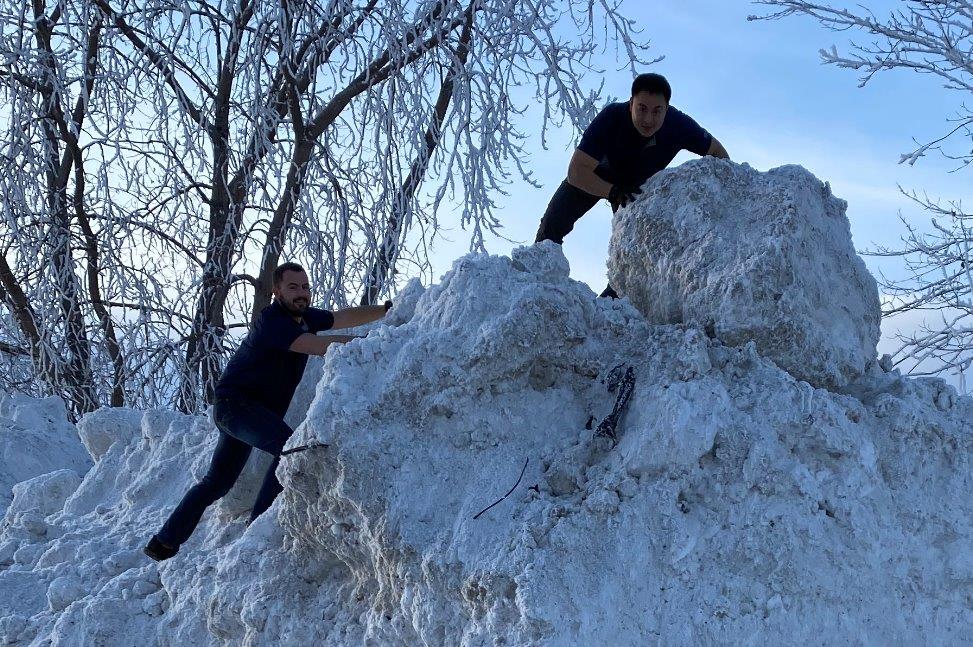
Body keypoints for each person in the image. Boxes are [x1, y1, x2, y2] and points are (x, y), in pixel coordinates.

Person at [143, 262, 391, 561]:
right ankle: (257, 530)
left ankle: (163, 543)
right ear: (276, 291)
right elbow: (318, 345)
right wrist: (378, 342)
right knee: (290, 449)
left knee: (217, 483)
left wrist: (385, 310)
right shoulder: (273, 321)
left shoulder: (303, 317)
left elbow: (340, 318)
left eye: (305, 287)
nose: (302, 293)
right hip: (235, 406)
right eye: (293, 287)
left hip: (250, 411)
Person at [535, 72, 730, 297]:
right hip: (595, 176)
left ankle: (610, 306)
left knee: (635, 260)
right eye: (642, 108)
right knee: (551, 227)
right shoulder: (611, 117)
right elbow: (576, 171)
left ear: (667, 109)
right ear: (631, 104)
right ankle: (536, 285)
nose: (649, 119)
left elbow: (718, 152)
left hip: (636, 192)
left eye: (657, 111)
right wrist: (611, 191)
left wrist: (723, 191)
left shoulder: (679, 125)